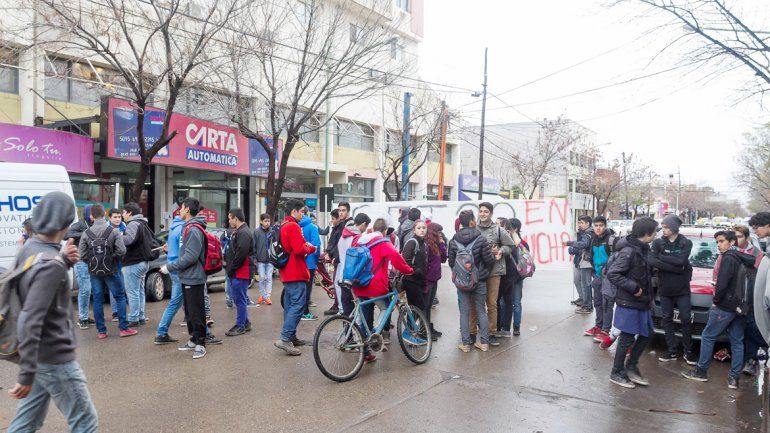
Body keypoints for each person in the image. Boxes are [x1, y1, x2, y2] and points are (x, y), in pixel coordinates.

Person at [8, 191, 98, 432]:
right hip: (55, 359)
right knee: (85, 422)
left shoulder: (30, 247)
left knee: (26, 423)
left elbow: (32, 283)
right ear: (67, 222)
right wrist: (26, 374)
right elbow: (30, 318)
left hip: (38, 356)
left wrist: (63, 261)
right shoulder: (51, 264)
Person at [682, 230, 754, 389]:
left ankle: (701, 372)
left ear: (732, 242)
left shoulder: (728, 258)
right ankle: (734, 378)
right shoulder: (743, 257)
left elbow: (722, 284)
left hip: (725, 306)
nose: (718, 245)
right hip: (741, 307)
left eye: (721, 241)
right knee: (737, 341)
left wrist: (716, 301)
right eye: (717, 242)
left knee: (708, 336)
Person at [352, 218, 415, 363]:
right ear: (385, 231)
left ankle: (366, 350)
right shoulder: (383, 242)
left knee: (366, 316)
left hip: (358, 283)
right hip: (374, 285)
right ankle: (375, 335)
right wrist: (409, 270)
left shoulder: (360, 240)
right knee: (386, 308)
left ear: (373, 228)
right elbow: (396, 258)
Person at [607, 217, 658, 389]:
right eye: (655, 232)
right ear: (647, 233)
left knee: (647, 333)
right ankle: (616, 372)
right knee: (627, 338)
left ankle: (631, 366)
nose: (656, 234)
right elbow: (613, 274)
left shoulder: (644, 249)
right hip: (629, 302)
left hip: (643, 302)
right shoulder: (629, 251)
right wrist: (633, 287)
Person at [160, 198, 210, 359]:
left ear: (187, 209)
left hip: (194, 276)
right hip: (186, 276)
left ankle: (201, 343)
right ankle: (194, 339)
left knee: (196, 312)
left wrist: (170, 267)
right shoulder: (187, 227)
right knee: (189, 311)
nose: (180, 210)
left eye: (181, 208)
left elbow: (191, 257)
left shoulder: (194, 229)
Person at [78, 204, 137, 339]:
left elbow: (82, 254)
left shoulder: (86, 233)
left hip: (94, 272)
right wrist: (113, 260)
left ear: (91, 216)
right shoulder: (113, 231)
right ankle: (123, 329)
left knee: (97, 299)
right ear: (105, 214)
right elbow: (122, 251)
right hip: (112, 269)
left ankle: (101, 331)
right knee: (120, 297)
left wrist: (92, 262)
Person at [646, 215, 695, 364]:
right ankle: (671, 350)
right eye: (663, 227)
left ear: (674, 227)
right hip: (665, 288)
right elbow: (651, 260)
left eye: (666, 227)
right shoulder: (658, 242)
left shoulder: (686, 242)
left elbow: (681, 261)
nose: (663, 229)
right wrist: (677, 268)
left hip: (682, 288)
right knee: (666, 319)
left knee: (685, 319)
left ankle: (688, 351)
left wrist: (661, 257)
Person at [274, 199, 317, 356]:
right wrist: (312, 248)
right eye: (302, 212)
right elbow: (300, 249)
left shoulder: (283, 224)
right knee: (298, 305)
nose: (303, 215)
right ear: (294, 211)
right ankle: (285, 338)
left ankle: (290, 336)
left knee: (290, 305)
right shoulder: (292, 226)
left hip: (287, 271)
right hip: (295, 272)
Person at [449, 210, 495, 353]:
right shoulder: (481, 239)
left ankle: (466, 344)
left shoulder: (453, 240)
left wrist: (461, 273)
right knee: (481, 309)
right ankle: (485, 343)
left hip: (462, 282)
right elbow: (489, 260)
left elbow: (451, 262)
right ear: (471, 222)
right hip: (479, 280)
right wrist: (483, 272)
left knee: (464, 312)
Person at [469, 202, 515, 347]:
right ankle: (472, 333)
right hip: (476, 271)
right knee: (474, 303)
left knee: (492, 303)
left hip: (494, 271)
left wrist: (500, 251)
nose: (482, 214)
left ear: (491, 213)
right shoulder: (473, 229)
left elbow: (510, 245)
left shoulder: (498, 230)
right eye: (481, 211)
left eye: (486, 211)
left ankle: (491, 333)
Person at [732, 225, 767, 376]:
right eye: (734, 236)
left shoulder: (757, 254)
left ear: (747, 238)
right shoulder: (728, 251)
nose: (736, 240)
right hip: (733, 298)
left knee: (752, 327)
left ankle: (752, 360)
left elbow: (759, 275)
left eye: (739, 236)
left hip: (751, 299)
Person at [583, 216, 619, 341]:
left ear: (605, 226)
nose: (598, 228)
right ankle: (598, 327)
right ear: (593, 226)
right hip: (598, 276)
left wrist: (610, 273)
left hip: (609, 278)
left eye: (601, 225)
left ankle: (605, 331)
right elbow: (591, 257)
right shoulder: (593, 240)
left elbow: (619, 259)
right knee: (597, 303)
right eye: (596, 225)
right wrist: (594, 272)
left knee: (607, 304)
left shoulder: (612, 240)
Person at [224, 208, 254, 337]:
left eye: (230, 218)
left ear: (236, 218)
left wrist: (231, 269)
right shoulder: (239, 231)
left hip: (241, 271)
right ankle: (245, 322)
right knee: (238, 298)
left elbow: (241, 254)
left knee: (239, 299)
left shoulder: (244, 233)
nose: (229, 221)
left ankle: (240, 325)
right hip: (238, 271)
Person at [122, 202, 151, 327]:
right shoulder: (143, 223)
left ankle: (133, 318)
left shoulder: (133, 224)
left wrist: (118, 236)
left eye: (124, 212)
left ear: (129, 213)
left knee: (132, 292)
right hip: (142, 262)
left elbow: (129, 240)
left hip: (133, 262)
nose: (122, 215)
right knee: (139, 291)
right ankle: (141, 316)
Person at [498, 218, 529, 337]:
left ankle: (506, 326)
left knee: (506, 302)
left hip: (510, 277)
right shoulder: (523, 243)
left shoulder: (513, 242)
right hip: (516, 277)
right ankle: (515, 328)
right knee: (515, 302)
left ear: (514, 229)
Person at [66, 204, 95, 330]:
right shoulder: (79, 225)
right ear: (86, 213)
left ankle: (85, 316)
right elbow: (67, 235)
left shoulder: (97, 224)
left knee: (90, 290)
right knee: (85, 290)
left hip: (94, 262)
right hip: (81, 262)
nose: (93, 216)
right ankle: (82, 318)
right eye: (91, 213)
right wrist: (86, 233)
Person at [337, 213, 372, 315]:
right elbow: (358, 261)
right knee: (360, 309)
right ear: (363, 224)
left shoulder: (343, 236)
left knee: (347, 310)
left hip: (342, 275)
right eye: (366, 226)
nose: (365, 229)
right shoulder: (357, 238)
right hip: (351, 278)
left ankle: (347, 325)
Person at [325, 202, 352, 315]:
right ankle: (342, 310)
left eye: (343, 210)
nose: (341, 213)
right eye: (340, 210)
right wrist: (329, 253)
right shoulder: (341, 224)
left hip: (344, 260)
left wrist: (333, 256)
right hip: (339, 259)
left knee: (341, 285)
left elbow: (341, 244)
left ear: (348, 211)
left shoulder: (348, 224)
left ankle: (344, 310)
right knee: (338, 284)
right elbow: (334, 240)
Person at [424, 222, 447, 340]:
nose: (440, 234)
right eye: (438, 232)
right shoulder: (427, 245)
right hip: (428, 280)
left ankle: (428, 327)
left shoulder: (436, 245)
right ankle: (425, 330)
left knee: (429, 305)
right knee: (426, 306)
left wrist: (442, 244)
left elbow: (443, 259)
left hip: (434, 279)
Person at [401, 220, 428, 315]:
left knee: (414, 308)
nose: (422, 230)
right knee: (419, 307)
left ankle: (410, 324)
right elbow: (405, 260)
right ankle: (412, 324)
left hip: (418, 280)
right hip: (410, 280)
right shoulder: (412, 242)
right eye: (419, 228)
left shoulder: (424, 244)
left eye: (424, 228)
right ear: (414, 230)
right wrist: (416, 270)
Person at [566, 215, 593, 309]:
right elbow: (578, 245)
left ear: (587, 224)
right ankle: (582, 298)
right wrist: (572, 248)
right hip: (579, 260)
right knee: (577, 280)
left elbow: (584, 245)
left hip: (586, 261)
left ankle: (587, 303)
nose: (579, 224)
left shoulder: (589, 233)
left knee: (585, 284)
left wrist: (571, 244)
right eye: (579, 222)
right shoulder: (580, 233)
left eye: (581, 223)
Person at [300, 208, 321, 321]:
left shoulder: (295, 226)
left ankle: (297, 310)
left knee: (299, 288)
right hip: (310, 262)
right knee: (307, 288)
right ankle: (305, 312)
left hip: (298, 262)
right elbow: (316, 245)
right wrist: (316, 259)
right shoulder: (312, 227)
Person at [108, 208, 127, 322]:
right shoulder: (107, 229)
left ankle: (122, 312)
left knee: (123, 288)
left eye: (119, 217)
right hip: (112, 262)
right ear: (109, 218)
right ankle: (115, 312)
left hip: (124, 262)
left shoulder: (125, 227)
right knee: (113, 288)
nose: (117, 219)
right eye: (115, 217)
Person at [253, 213, 274, 305]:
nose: (267, 223)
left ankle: (267, 297)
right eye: (265, 221)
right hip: (260, 260)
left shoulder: (272, 231)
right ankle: (263, 295)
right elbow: (254, 246)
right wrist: (254, 258)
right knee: (261, 278)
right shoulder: (256, 232)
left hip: (270, 260)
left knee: (269, 278)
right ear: (261, 221)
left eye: (268, 221)